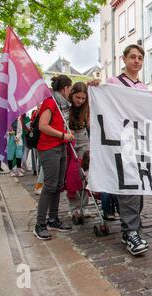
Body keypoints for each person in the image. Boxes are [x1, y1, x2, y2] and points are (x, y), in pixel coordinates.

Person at [105, 44, 149, 256]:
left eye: (140, 58)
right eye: (132, 57)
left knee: (138, 190)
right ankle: (130, 231)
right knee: (129, 188)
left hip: (141, 143)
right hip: (122, 142)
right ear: (124, 59)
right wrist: (95, 87)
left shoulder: (144, 88)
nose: (136, 61)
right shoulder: (113, 83)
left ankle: (131, 228)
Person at [33, 75, 75, 240]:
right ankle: (40, 224)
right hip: (49, 147)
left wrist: (65, 135)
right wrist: (63, 135)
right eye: (70, 89)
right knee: (50, 186)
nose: (70, 92)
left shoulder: (62, 105)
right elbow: (43, 126)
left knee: (58, 185)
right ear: (65, 88)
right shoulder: (50, 102)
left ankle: (53, 219)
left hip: (60, 147)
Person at [65, 82, 91, 218]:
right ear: (72, 95)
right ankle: (74, 207)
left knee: (84, 173)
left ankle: (84, 206)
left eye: (83, 98)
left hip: (83, 139)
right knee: (73, 174)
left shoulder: (86, 107)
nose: (80, 101)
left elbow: (90, 123)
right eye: (77, 97)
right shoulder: (66, 106)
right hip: (70, 140)